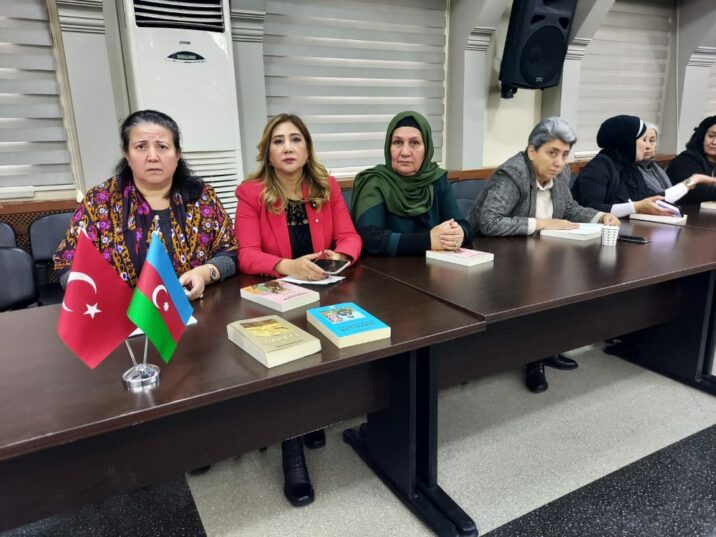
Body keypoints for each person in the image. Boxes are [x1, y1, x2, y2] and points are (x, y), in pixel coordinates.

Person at [234, 113, 361, 507]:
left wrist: (339, 258)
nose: (287, 147)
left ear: (307, 149)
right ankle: (292, 447)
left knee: (328, 353)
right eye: (278, 141)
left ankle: (312, 418)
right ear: (268, 153)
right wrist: (287, 266)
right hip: (277, 296)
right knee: (290, 364)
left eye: (295, 140)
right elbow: (246, 255)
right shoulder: (251, 193)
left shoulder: (326, 187)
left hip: (323, 287)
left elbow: (350, 237)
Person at [468, 117, 620, 393]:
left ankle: (546, 348)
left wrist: (600, 216)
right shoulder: (512, 175)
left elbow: (569, 209)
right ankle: (533, 359)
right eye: (552, 153)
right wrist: (541, 223)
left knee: (561, 280)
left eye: (564, 154)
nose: (559, 162)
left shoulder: (560, 174)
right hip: (497, 260)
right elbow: (489, 222)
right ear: (532, 151)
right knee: (536, 287)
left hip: (538, 254)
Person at [54, 109, 237, 300]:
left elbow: (230, 252)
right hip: (119, 311)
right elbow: (67, 263)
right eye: (141, 147)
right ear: (126, 154)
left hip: (194, 306)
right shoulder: (99, 201)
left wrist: (203, 274)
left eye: (162, 147)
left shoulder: (202, 197)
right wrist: (93, 290)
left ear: (177, 154)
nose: (153, 156)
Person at [350, 111, 469, 255]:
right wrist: (428, 240)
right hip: (385, 267)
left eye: (414, 143)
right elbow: (371, 239)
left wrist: (459, 234)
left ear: (427, 149)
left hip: (435, 266)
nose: (405, 152)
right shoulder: (374, 182)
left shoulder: (436, 179)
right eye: (398, 142)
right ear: (388, 147)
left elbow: (462, 224)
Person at [572, 115, 716, 216]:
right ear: (627, 141)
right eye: (643, 140)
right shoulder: (599, 167)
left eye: (650, 141)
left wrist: (693, 180)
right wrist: (636, 207)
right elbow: (591, 209)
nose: (647, 146)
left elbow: (654, 199)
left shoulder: (629, 167)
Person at [666, 115, 716, 203]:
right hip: (684, 209)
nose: (714, 142)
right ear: (702, 137)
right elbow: (696, 192)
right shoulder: (686, 159)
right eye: (711, 136)